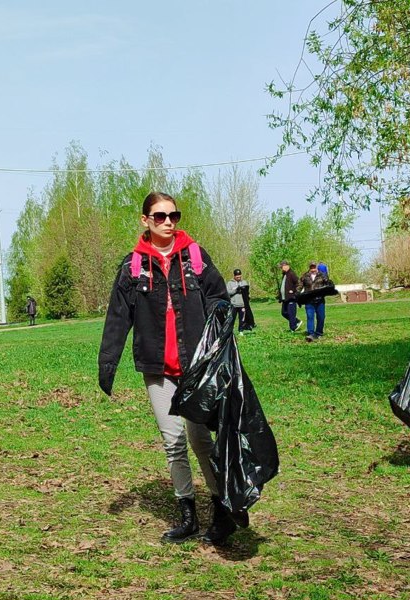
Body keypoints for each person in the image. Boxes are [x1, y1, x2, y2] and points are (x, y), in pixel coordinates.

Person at [98, 191, 245, 546]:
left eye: (173, 216)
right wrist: (108, 364)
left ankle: (222, 509)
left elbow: (218, 300)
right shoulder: (133, 265)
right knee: (173, 442)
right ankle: (188, 514)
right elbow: (118, 317)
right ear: (145, 220)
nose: (168, 222)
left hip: (195, 367)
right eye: (160, 216)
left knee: (199, 439)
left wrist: (220, 334)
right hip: (157, 368)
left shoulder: (195, 255)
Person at [298, 261, 331, 342]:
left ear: (317, 267)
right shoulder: (305, 276)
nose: (313, 269)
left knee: (321, 317)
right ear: (309, 268)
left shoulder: (322, 275)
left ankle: (319, 333)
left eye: (314, 267)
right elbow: (299, 286)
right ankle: (311, 333)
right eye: (311, 267)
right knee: (310, 317)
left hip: (320, 301)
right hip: (309, 301)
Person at [277, 260, 302, 333]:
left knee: (291, 313)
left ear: (286, 266)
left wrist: (294, 291)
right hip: (285, 298)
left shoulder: (291, 274)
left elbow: (299, 284)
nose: (281, 268)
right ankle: (297, 321)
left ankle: (293, 328)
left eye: (282, 267)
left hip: (291, 298)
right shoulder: (285, 274)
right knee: (284, 313)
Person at [226, 269, 250, 335]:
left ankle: (241, 330)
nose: (239, 278)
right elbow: (228, 292)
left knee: (242, 318)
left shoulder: (244, 282)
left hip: (242, 304)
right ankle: (230, 331)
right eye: (237, 277)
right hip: (234, 304)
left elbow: (247, 292)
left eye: (240, 276)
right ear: (234, 276)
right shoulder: (230, 283)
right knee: (232, 318)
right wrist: (236, 290)